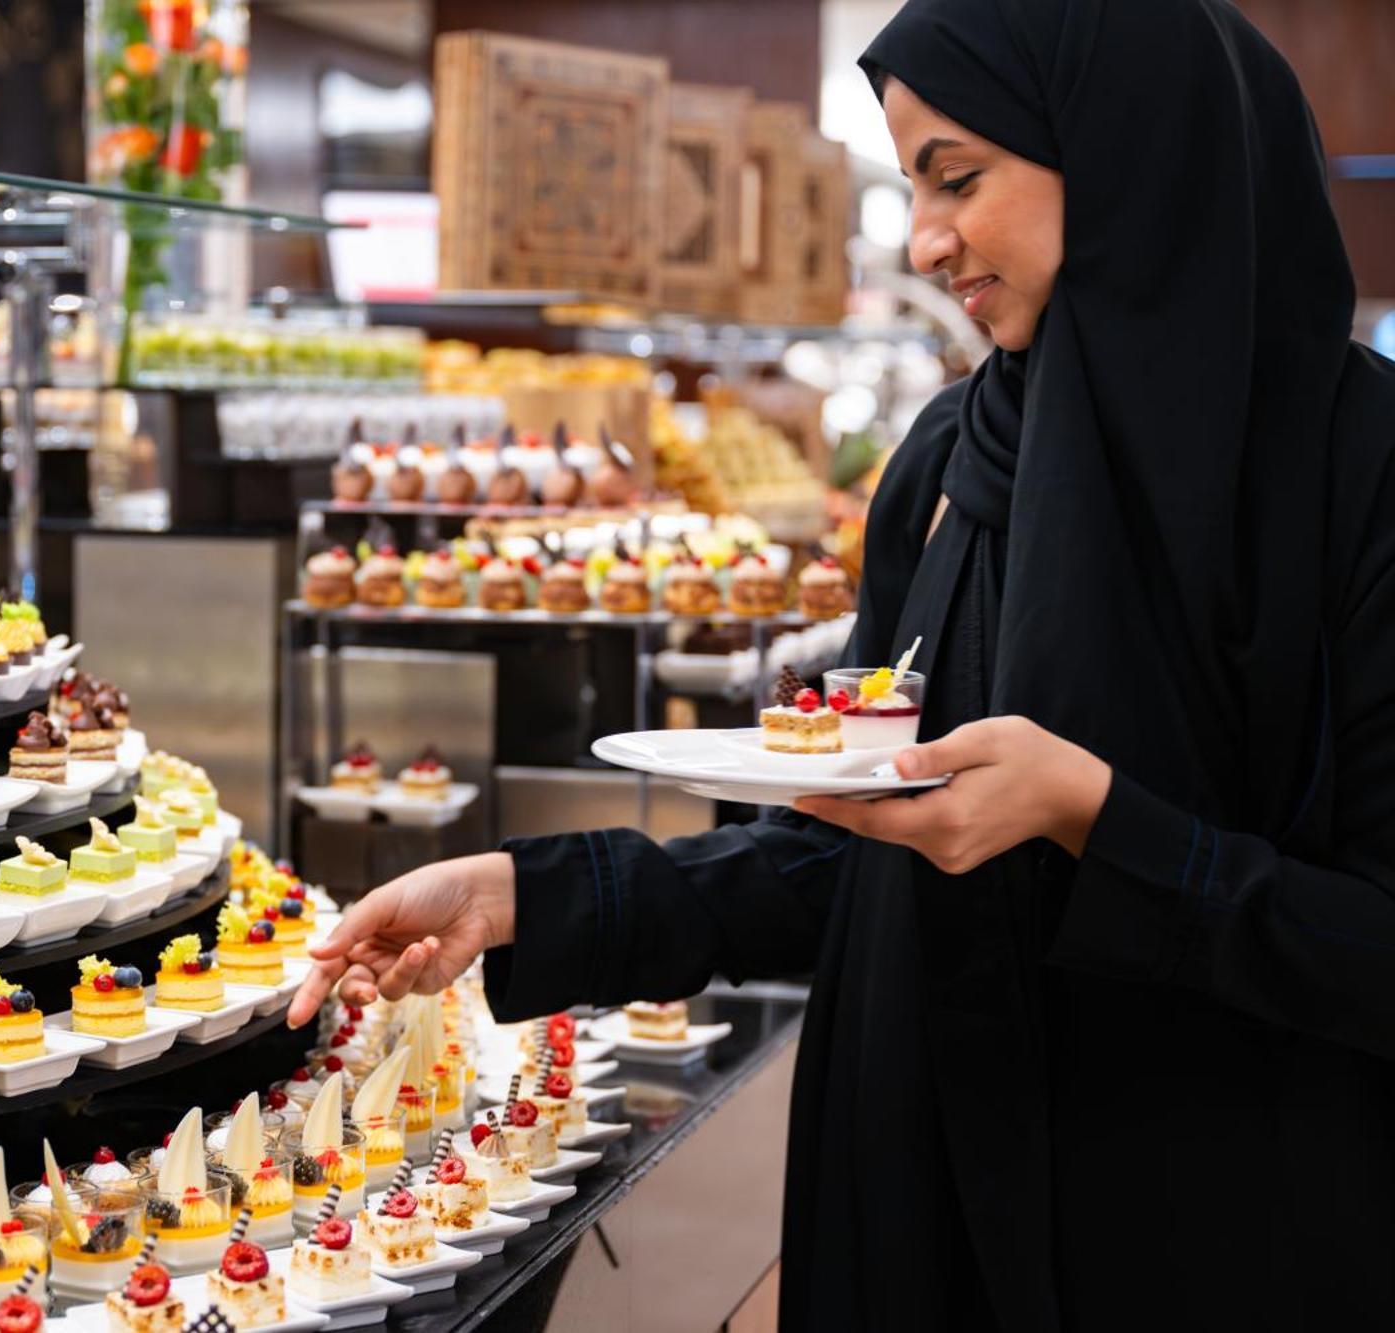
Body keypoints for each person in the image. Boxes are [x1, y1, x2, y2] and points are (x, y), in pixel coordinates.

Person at [289, 0, 1395, 1329]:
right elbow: (852, 854)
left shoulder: (1356, 477)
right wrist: (528, 896)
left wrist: (1099, 821)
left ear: (1121, 149)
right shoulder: (950, 464)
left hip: (1231, 1239)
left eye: (959, 177)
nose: (927, 242)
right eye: (912, 183)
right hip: (924, 1209)